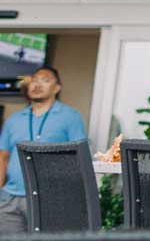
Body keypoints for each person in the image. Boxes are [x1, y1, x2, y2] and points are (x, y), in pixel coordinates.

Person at [0, 66, 89, 233]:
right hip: (10, 199)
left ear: (57, 88)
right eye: (34, 80)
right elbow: (3, 157)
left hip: (50, 199)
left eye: (45, 80)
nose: (37, 84)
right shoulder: (14, 119)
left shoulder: (70, 116)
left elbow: (79, 157)